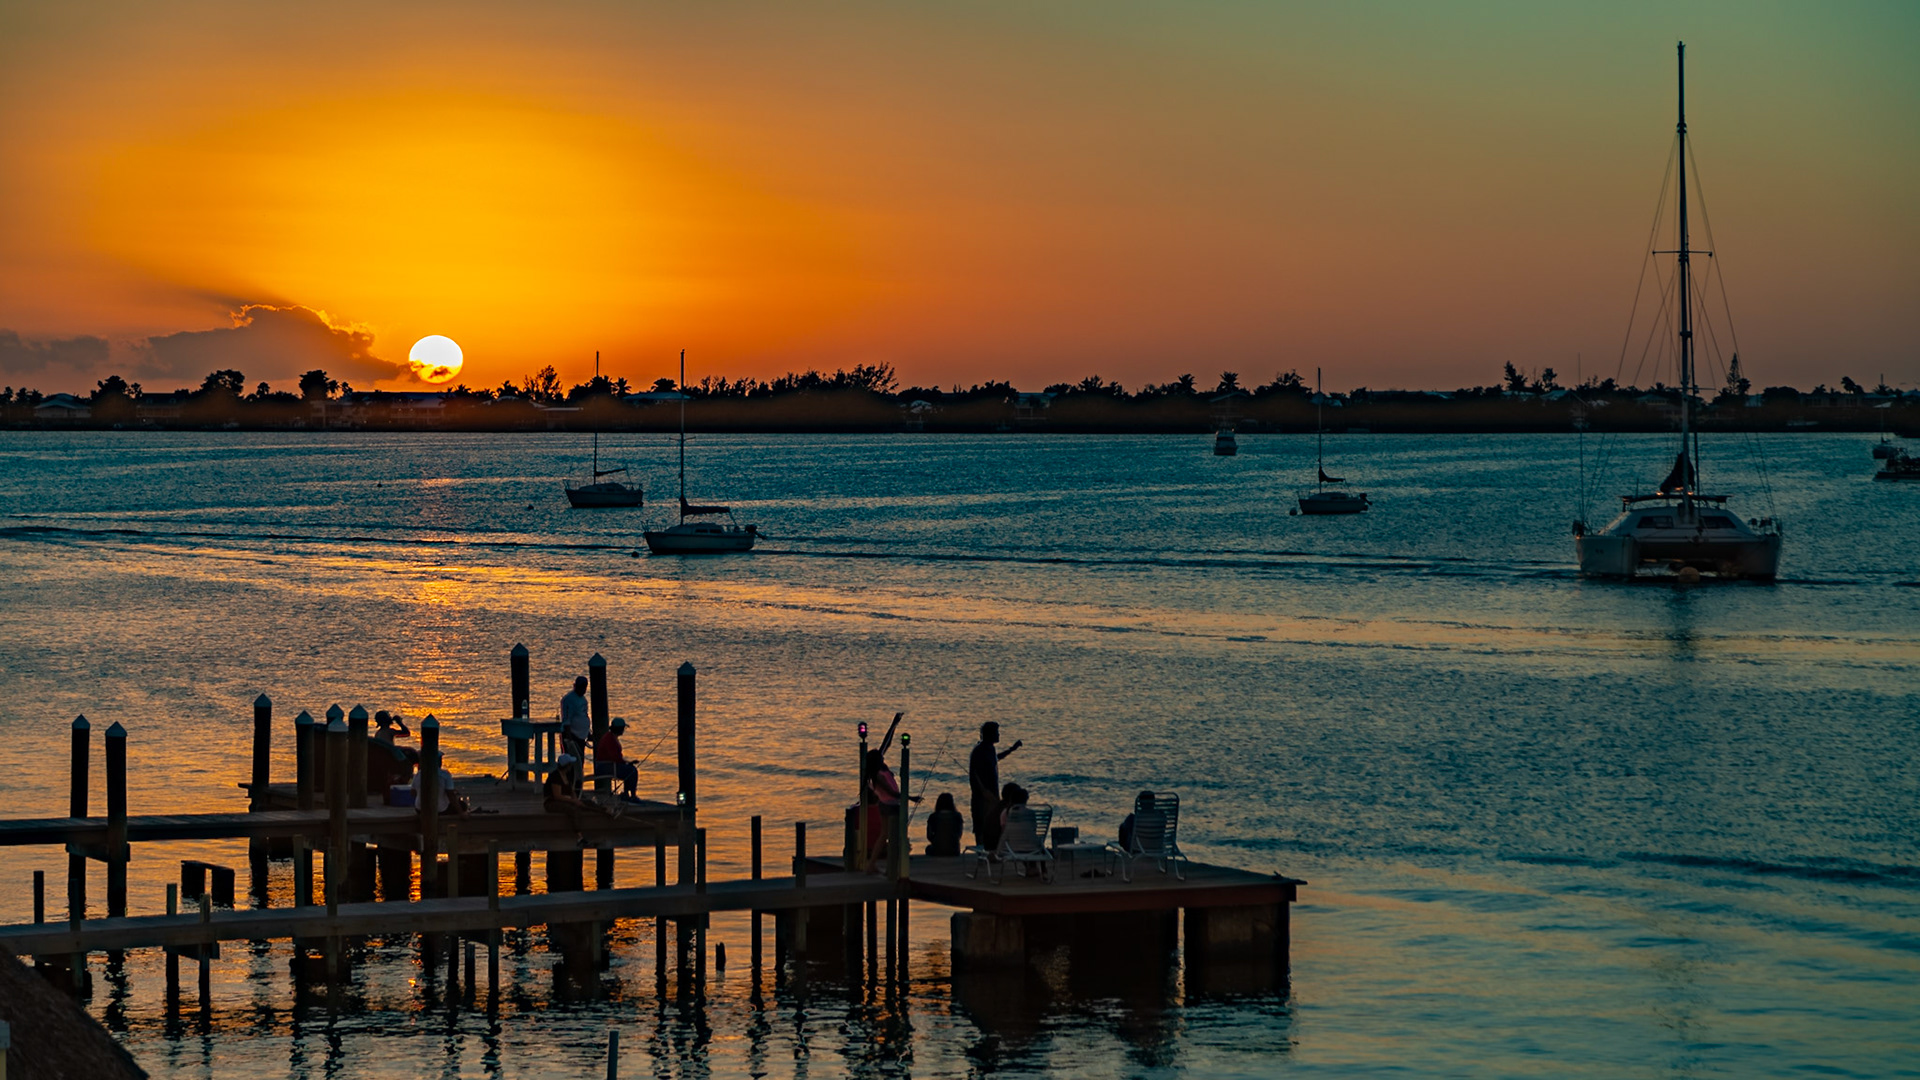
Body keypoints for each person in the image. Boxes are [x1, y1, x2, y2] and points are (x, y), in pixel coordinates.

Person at [967, 721, 1022, 852]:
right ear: (989, 734)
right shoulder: (979, 751)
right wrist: (984, 793)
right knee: (982, 825)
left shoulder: (990, 749)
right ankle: (983, 852)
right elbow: (974, 775)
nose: (999, 735)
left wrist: (1011, 750)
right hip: (983, 796)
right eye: (996, 732)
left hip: (992, 793)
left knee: (992, 824)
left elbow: (995, 758)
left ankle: (992, 852)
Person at [596, 716, 640, 799]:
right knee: (632, 771)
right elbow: (615, 757)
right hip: (605, 767)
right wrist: (625, 763)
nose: (623, 730)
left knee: (629, 768)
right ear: (619, 729)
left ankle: (626, 793)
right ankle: (632, 795)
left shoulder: (610, 737)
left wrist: (627, 762)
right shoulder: (610, 740)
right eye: (623, 728)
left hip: (607, 765)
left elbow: (615, 757)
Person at [560, 675, 591, 764]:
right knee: (571, 762)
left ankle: (578, 777)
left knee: (580, 761)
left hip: (581, 736)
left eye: (584, 687)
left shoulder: (583, 699)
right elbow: (566, 720)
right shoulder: (569, 699)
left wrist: (588, 732)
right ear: (575, 686)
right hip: (572, 735)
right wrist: (569, 738)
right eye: (580, 687)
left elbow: (584, 716)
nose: (582, 689)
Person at [925, 792, 964, 856]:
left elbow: (929, 836)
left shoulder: (933, 816)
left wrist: (936, 841)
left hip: (937, 850)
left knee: (928, 848)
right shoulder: (957, 816)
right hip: (954, 850)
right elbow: (959, 834)